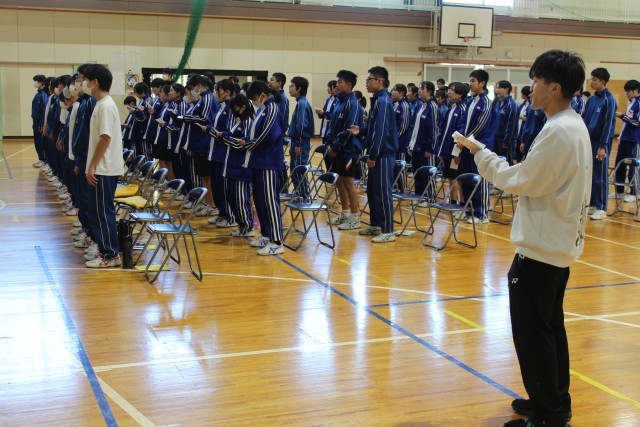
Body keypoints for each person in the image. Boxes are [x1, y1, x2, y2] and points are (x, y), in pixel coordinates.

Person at [466, 49, 591, 427]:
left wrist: (482, 155)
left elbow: (521, 180)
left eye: (536, 81)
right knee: (550, 329)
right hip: (554, 244)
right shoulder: (569, 125)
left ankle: (547, 415)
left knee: (534, 335)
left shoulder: (559, 131)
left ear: (555, 88)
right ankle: (552, 400)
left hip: (542, 249)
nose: (531, 88)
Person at [223, 81, 285, 255]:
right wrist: (246, 142)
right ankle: (266, 234)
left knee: (270, 202)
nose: (254, 102)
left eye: (254, 98)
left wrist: (247, 145)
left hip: (268, 163)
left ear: (263, 95)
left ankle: (277, 241)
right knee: (260, 201)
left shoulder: (272, 108)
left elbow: (268, 136)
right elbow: (255, 134)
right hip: (258, 161)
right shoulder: (263, 109)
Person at [349, 66, 398, 243]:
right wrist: (361, 130)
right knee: (373, 190)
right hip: (378, 153)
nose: (366, 82)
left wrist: (373, 154)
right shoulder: (377, 100)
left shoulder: (383, 101)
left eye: (369, 79)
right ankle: (377, 225)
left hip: (383, 155)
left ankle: (388, 230)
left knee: (383, 192)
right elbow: (374, 127)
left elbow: (382, 131)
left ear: (380, 81)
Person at [83, 64, 125, 268]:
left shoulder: (106, 105)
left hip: (104, 168)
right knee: (97, 212)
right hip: (101, 168)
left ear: (95, 82)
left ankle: (110, 254)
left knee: (103, 212)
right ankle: (104, 249)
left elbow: (105, 137)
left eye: (86, 79)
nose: (84, 83)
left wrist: (92, 165)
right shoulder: (101, 104)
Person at [456, 69, 495, 223]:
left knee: (480, 179)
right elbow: (463, 122)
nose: (470, 84)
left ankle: (482, 214)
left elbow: (481, 127)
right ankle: (469, 210)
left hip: (480, 148)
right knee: (466, 178)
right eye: (470, 80)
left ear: (482, 83)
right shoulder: (470, 101)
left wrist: (464, 141)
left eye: (473, 81)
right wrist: (459, 138)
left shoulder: (487, 102)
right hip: (466, 146)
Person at [326, 70, 364, 230]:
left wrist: (336, 146)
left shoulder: (352, 104)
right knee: (339, 181)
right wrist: (330, 144)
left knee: (348, 182)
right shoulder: (338, 102)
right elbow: (332, 126)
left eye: (340, 82)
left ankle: (355, 217)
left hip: (348, 150)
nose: (337, 84)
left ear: (349, 85)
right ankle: (345, 213)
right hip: (337, 150)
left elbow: (349, 129)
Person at [583, 67, 616, 220]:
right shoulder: (591, 99)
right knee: (590, 174)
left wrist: (603, 146)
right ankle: (592, 204)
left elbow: (608, 125)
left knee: (600, 175)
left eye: (594, 79)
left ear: (602, 82)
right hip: (589, 141)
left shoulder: (609, 100)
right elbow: (584, 119)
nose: (591, 82)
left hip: (601, 143)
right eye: (591, 79)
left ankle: (602, 207)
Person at [287, 76, 314, 198]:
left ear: (299, 89)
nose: (290, 88)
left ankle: (303, 196)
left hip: (300, 142)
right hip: (296, 141)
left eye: (292, 86)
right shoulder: (300, 103)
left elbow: (302, 126)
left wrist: (297, 144)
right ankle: (299, 194)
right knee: (294, 169)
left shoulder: (302, 104)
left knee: (298, 170)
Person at [613, 80, 640, 202]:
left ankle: (634, 193)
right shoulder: (631, 103)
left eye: (628, 91)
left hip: (634, 140)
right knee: (619, 165)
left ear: (636, 90)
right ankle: (619, 192)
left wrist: (622, 116)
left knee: (633, 167)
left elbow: (636, 122)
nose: (627, 94)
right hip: (624, 138)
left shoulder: (639, 103)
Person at [494, 80, 519, 164]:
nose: (497, 90)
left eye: (499, 88)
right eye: (496, 88)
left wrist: (506, 142)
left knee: (506, 164)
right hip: (496, 139)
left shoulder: (512, 105)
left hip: (505, 141)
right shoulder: (498, 103)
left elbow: (511, 125)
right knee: (496, 163)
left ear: (506, 89)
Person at [31, 74, 49, 168]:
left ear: (42, 83)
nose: (35, 83)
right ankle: (41, 159)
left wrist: (42, 124)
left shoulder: (44, 95)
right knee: (37, 142)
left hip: (40, 122)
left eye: (36, 81)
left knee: (41, 142)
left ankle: (44, 160)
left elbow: (44, 111)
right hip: (36, 122)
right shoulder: (38, 94)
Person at [391, 83, 411, 162]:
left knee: (400, 165)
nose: (392, 92)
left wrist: (394, 137)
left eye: (395, 90)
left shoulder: (404, 105)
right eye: (392, 90)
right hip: (394, 142)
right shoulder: (395, 105)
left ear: (402, 93)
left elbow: (404, 126)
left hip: (401, 142)